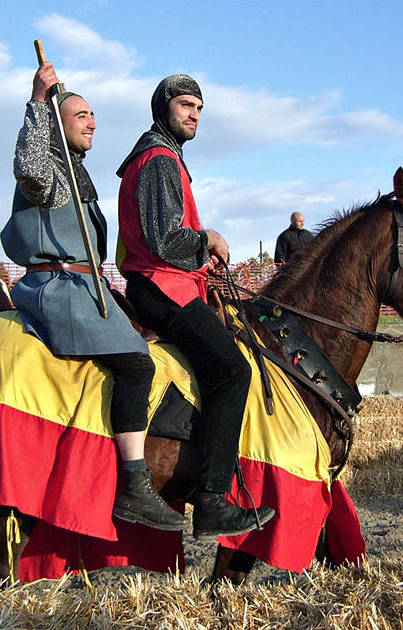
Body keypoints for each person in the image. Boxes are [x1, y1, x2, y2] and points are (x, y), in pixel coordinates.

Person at [0, 62, 185, 531]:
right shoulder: (48, 170)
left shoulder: (79, 175)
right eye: (81, 115)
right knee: (137, 362)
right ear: (58, 125)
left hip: (88, 285)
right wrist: (39, 103)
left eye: (93, 115)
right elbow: (29, 167)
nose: (93, 122)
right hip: (57, 288)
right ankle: (134, 483)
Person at [116, 74, 275, 539]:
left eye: (200, 109)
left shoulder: (165, 158)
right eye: (186, 105)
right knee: (232, 370)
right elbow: (165, 241)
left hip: (171, 282)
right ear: (162, 108)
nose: (194, 115)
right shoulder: (159, 159)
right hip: (161, 284)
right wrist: (208, 239)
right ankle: (210, 501)